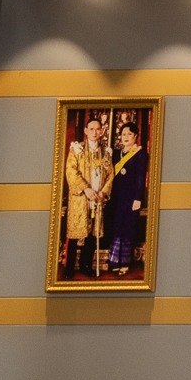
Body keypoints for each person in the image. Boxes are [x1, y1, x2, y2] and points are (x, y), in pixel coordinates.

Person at [63, 115, 112, 279]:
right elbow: (71, 172)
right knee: (76, 233)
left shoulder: (105, 152)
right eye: (91, 129)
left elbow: (110, 175)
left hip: (97, 198)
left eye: (98, 129)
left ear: (102, 131)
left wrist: (103, 192)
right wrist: (85, 188)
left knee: (92, 234)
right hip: (81, 198)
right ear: (86, 131)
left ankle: (86, 265)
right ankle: (69, 268)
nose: (94, 132)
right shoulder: (77, 149)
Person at [104, 120, 149, 277]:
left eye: (129, 134)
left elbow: (140, 178)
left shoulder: (140, 154)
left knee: (127, 229)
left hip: (130, 198)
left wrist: (138, 198)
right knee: (116, 228)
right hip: (116, 197)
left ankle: (124, 263)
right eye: (123, 134)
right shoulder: (116, 154)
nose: (126, 137)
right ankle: (114, 261)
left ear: (135, 136)